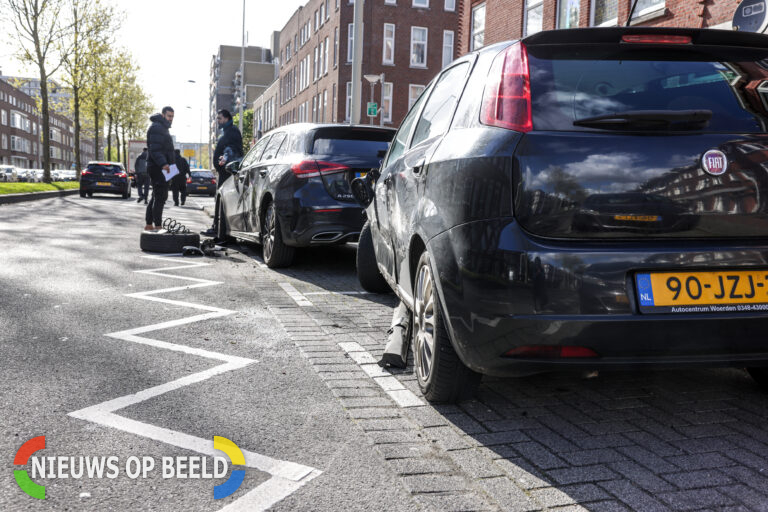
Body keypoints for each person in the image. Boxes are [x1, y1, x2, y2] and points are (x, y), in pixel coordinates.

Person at [201, 109, 243, 237]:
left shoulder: (232, 132)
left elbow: (234, 149)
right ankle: (217, 229)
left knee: (223, 202)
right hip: (224, 171)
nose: (217, 121)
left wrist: (224, 158)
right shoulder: (227, 131)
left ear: (225, 118)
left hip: (227, 172)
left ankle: (220, 231)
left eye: (219, 118)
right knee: (220, 201)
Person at [144, 107, 175, 231]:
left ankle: (149, 224)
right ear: (163, 115)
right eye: (169, 116)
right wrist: (164, 164)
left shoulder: (162, 127)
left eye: (172, 116)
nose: (171, 119)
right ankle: (157, 226)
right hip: (159, 167)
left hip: (162, 166)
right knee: (160, 196)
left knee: (157, 196)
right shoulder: (158, 127)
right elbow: (155, 149)